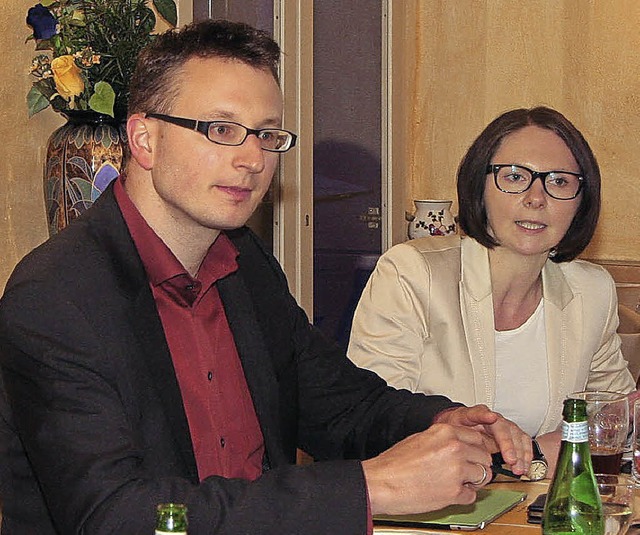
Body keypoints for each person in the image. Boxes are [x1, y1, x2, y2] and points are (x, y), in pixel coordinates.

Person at [0, 20, 532, 535]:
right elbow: (115, 515)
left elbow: (342, 405)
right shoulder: (56, 296)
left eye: (267, 135)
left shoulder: (243, 263)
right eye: (222, 130)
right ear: (144, 140)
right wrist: (368, 488)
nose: (253, 159)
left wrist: (445, 422)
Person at [348, 106, 636, 470]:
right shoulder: (412, 274)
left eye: (560, 181)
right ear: (479, 188)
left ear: (582, 202)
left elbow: (616, 419)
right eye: (515, 177)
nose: (537, 197)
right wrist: (539, 451)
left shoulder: (591, 291)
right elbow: (374, 426)